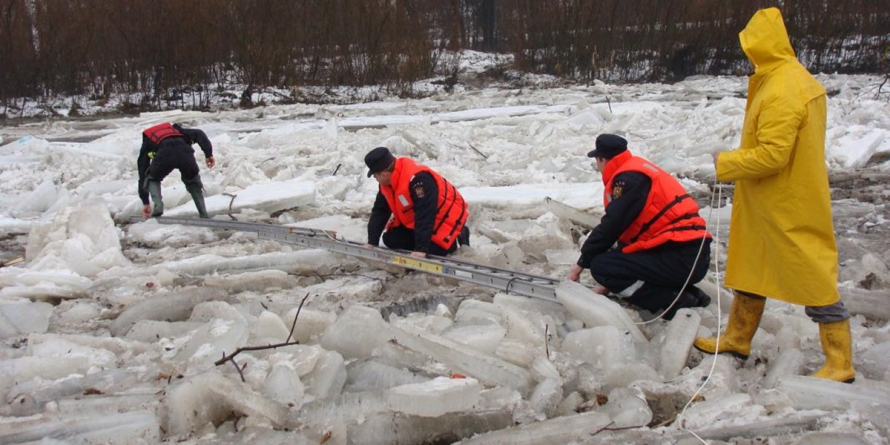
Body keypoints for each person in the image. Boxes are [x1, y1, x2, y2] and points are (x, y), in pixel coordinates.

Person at [693, 8, 855, 383]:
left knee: (813, 278)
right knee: (752, 267)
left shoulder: (784, 88)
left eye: (750, 47)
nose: (748, 54)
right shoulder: (784, 79)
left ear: (763, 46)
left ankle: (840, 362)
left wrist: (725, 163)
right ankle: (737, 338)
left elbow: (773, 155)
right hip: (770, 200)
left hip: (786, 203)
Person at [567, 134, 712, 320]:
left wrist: (579, 266)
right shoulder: (638, 170)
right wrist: (612, 282)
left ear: (602, 160)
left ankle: (673, 302)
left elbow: (611, 226)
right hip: (691, 254)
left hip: (681, 256)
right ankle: (693, 295)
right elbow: (631, 235)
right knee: (614, 262)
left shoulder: (627, 180)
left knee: (601, 266)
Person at [364, 146, 470, 258]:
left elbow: (425, 214)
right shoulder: (387, 184)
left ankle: (455, 235)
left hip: (444, 219)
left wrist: (421, 249)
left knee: (436, 251)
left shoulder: (419, 180)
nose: (375, 178)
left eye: (375, 175)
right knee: (391, 239)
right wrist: (372, 242)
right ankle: (426, 243)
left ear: (384, 174)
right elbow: (380, 211)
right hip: (421, 221)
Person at [137, 122, 215, 219]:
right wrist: (209, 154)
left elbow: (142, 172)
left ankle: (158, 207)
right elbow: (199, 133)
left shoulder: (148, 140)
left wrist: (145, 202)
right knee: (193, 182)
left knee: (152, 178)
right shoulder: (178, 132)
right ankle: (203, 214)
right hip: (185, 154)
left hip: (164, 156)